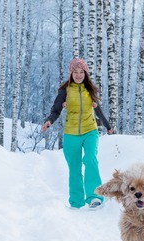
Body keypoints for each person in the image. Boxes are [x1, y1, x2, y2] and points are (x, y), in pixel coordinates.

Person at [42, 58, 113, 209]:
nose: (79, 75)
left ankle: (94, 196)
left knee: (90, 159)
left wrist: (108, 126)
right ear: (71, 73)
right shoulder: (65, 91)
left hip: (90, 130)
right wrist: (49, 121)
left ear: (86, 73)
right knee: (74, 167)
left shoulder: (90, 89)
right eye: (75, 72)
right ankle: (76, 201)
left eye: (82, 72)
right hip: (71, 133)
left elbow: (98, 110)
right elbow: (56, 110)